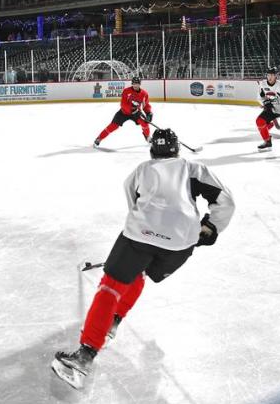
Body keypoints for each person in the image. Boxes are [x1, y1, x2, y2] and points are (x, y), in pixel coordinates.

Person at [52, 128, 235, 390]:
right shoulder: (192, 168)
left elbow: (133, 202)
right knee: (140, 274)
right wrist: (211, 227)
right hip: (181, 245)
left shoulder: (141, 170)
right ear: (176, 150)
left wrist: (146, 228)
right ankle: (114, 321)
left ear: (152, 150)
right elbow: (225, 200)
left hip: (141, 236)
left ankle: (85, 356)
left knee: (111, 286)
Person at [94, 76, 152, 147]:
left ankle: (148, 137)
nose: (135, 85)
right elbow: (123, 104)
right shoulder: (126, 91)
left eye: (137, 84)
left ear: (140, 84)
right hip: (124, 112)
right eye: (134, 83)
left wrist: (149, 113)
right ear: (132, 84)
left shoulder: (144, 94)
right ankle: (99, 138)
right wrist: (132, 109)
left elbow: (146, 105)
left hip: (136, 112)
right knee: (113, 126)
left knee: (145, 123)